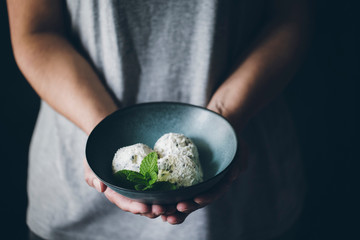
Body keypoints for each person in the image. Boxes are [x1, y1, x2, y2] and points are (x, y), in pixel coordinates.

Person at [7, 0, 309, 239]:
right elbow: (36, 30)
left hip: (246, 197)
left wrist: (225, 117)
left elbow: (288, 18)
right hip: (74, 207)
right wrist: (102, 128)